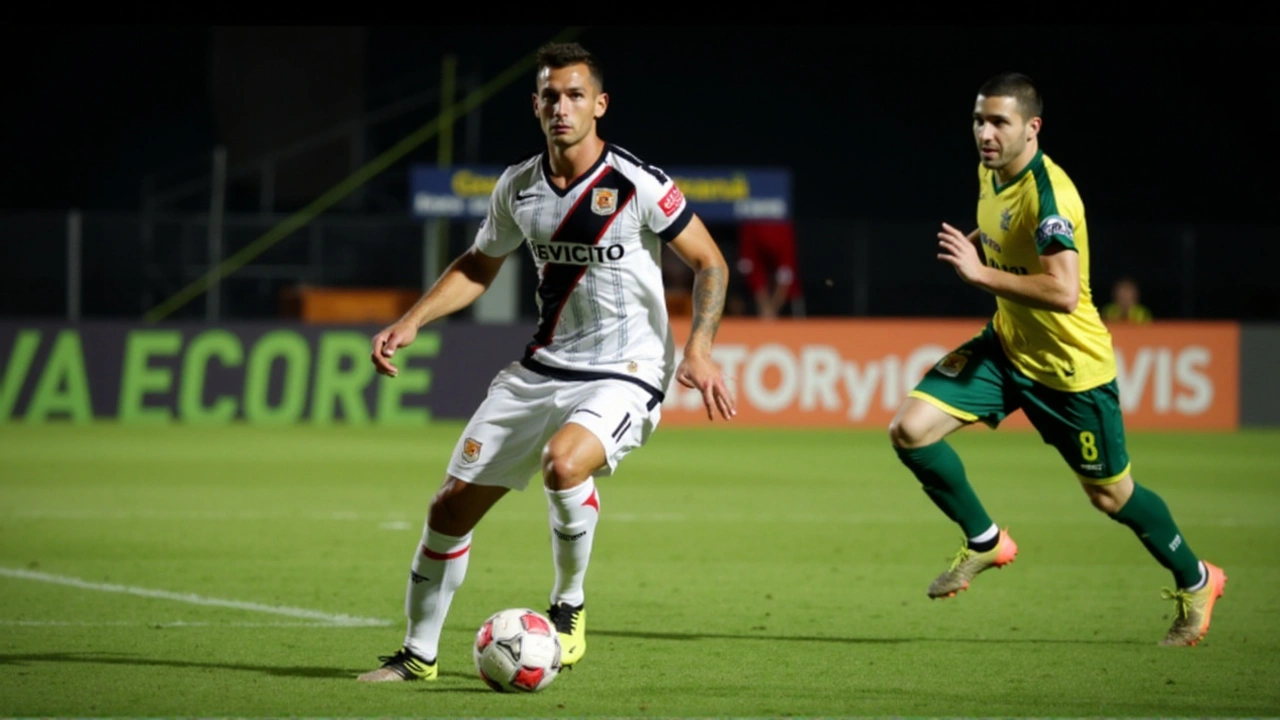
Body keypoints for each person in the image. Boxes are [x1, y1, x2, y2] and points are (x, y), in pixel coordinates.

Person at [357, 42, 737, 683]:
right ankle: (417, 656)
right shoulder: (518, 187)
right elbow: (479, 265)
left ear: (600, 105)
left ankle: (569, 606)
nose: (563, 107)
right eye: (551, 96)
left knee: (564, 463)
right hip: (544, 367)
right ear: (535, 105)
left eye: (576, 95)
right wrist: (413, 319)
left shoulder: (636, 184)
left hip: (629, 369)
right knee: (448, 509)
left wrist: (699, 348)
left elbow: (710, 262)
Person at [887, 72, 1226, 647]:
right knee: (910, 430)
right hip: (1006, 348)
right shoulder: (990, 173)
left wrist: (977, 272)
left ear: (1032, 128)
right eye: (978, 120)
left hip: (1071, 374)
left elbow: (1064, 291)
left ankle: (1197, 579)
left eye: (999, 122)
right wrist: (978, 249)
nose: (985, 133)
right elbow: (1000, 233)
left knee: (1110, 496)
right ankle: (987, 539)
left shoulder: (1052, 196)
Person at [736, 218, 804, 319]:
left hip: (784, 299)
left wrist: (772, 308)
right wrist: (764, 306)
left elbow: (786, 270)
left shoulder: (783, 228)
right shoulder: (751, 227)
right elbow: (752, 269)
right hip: (753, 297)